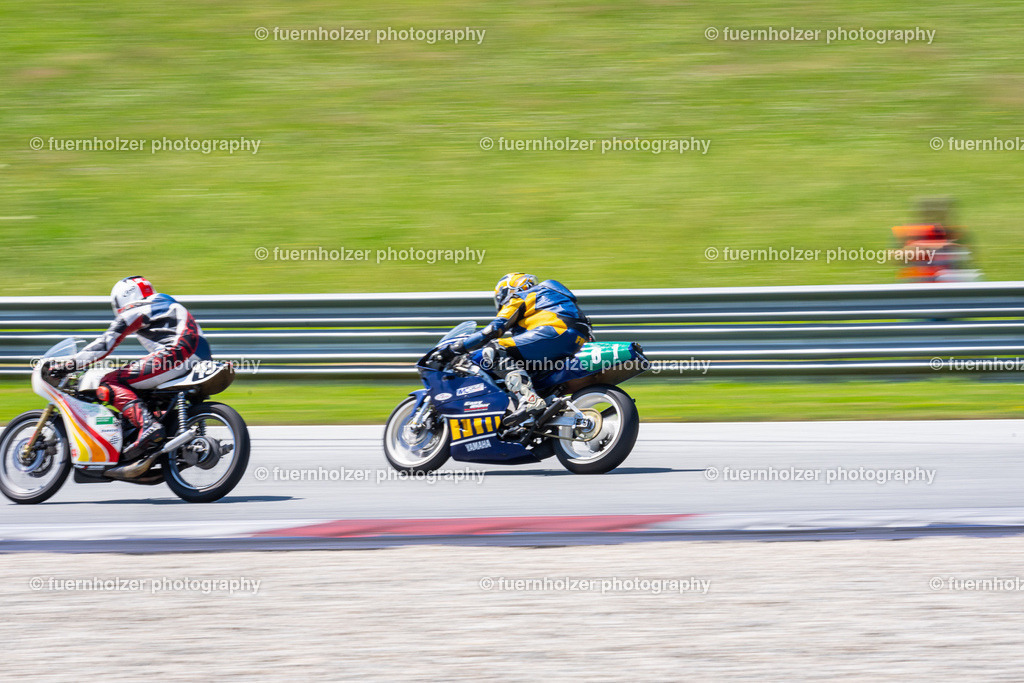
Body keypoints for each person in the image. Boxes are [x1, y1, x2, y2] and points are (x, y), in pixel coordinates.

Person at [52, 276, 212, 464]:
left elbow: (105, 344)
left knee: (110, 381)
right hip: (201, 358)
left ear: (123, 298)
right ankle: (162, 427)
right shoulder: (167, 303)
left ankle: (148, 425)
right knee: (146, 390)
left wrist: (70, 364)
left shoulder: (135, 309)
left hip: (175, 355)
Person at [434, 273, 592, 427]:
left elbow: (492, 330)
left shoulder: (521, 296)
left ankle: (529, 399)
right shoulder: (554, 298)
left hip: (553, 333)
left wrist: (455, 348)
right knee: (524, 368)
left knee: (495, 348)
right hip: (574, 341)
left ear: (508, 291)